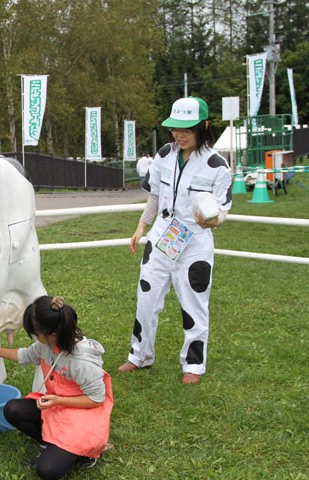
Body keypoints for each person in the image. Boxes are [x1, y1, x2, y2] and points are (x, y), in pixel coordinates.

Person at [118, 97, 233, 385]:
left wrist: (213, 220)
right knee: (146, 298)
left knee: (194, 304)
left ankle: (193, 365)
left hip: (195, 243)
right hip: (160, 239)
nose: (180, 136)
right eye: (175, 129)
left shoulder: (218, 166)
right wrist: (140, 227)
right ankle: (139, 355)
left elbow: (221, 212)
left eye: (188, 130)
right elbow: (155, 195)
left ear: (204, 127)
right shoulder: (163, 155)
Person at [0, 296, 113, 480]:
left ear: (52, 333)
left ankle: (85, 454)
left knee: (47, 470)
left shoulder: (82, 362)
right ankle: (51, 444)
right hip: (57, 406)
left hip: (82, 414)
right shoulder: (49, 344)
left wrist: (59, 400)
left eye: (36, 332)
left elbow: (96, 399)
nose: (35, 337)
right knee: (13, 409)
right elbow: (25, 355)